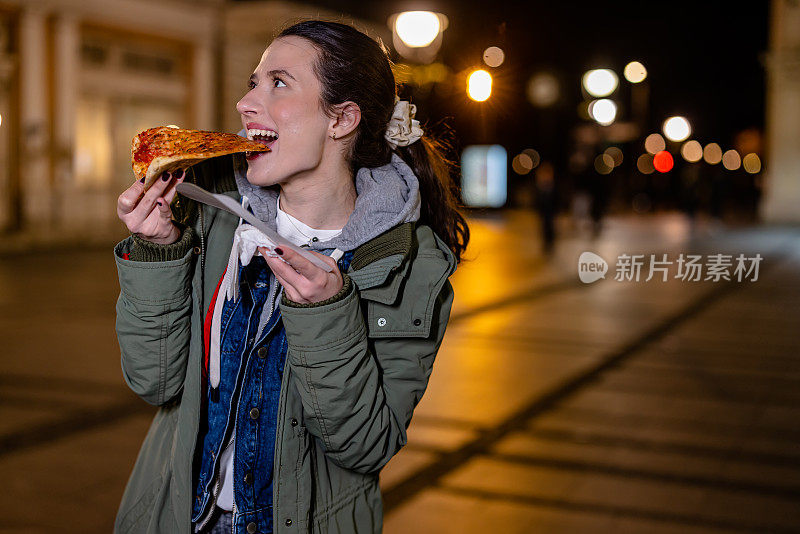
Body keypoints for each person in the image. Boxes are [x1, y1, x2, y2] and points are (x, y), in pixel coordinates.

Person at [112, 20, 469, 534]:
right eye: (253, 82)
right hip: (176, 517)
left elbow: (365, 445)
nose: (245, 102)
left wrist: (327, 312)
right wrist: (161, 250)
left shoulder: (410, 264)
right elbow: (155, 381)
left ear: (342, 119)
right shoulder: (212, 213)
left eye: (278, 83)